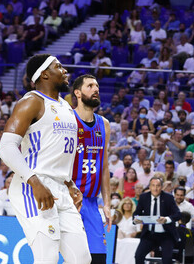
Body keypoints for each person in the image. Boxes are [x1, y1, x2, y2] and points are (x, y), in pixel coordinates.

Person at [0, 54, 90, 263]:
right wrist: (35, 182)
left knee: (82, 258)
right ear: (44, 74)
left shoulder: (66, 107)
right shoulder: (31, 102)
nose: (65, 71)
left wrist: (70, 183)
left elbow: (58, 153)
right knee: (46, 258)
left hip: (60, 188)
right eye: (59, 67)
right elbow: (6, 147)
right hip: (32, 187)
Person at [72, 74, 112, 264]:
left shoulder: (104, 124)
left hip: (91, 203)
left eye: (97, 85)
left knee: (98, 258)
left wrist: (108, 204)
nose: (95, 89)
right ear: (77, 93)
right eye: (90, 86)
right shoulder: (67, 121)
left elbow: (104, 167)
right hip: (68, 201)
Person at [132, 176, 181, 264]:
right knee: (138, 256)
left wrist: (166, 219)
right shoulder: (144, 197)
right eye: (153, 185)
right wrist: (136, 220)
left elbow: (178, 214)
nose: (155, 188)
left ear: (161, 187)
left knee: (167, 259)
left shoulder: (168, 198)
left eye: (158, 186)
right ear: (149, 187)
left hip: (166, 234)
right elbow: (136, 213)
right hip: (149, 234)